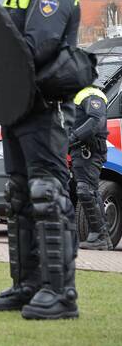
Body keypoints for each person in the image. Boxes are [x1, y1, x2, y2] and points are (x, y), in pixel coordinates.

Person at [0, 0, 82, 320]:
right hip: (17, 106)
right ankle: (27, 284)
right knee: (20, 196)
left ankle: (60, 292)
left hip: (45, 108)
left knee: (47, 194)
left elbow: (37, 46)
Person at [70, 86, 112, 250]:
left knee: (85, 190)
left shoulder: (90, 94)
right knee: (88, 191)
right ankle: (102, 237)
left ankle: (99, 236)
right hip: (79, 151)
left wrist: (72, 138)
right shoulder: (73, 95)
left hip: (88, 150)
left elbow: (96, 120)